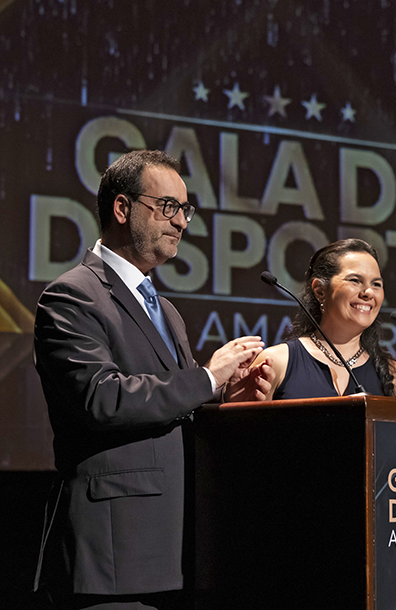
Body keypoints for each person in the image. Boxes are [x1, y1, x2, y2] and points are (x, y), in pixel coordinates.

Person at [33, 149, 271, 609]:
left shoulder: (167, 311)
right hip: (115, 555)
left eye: (186, 210)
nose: (182, 223)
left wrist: (223, 398)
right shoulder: (71, 296)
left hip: (178, 550)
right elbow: (102, 400)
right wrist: (205, 378)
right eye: (169, 207)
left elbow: (175, 408)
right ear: (122, 208)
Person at [228, 238, 396, 401]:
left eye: (376, 284)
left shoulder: (394, 376)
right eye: (355, 280)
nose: (368, 293)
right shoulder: (276, 362)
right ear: (320, 291)